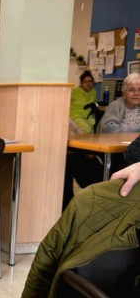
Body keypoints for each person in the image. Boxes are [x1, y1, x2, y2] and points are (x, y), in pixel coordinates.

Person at [63, 70, 102, 209]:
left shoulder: (93, 93)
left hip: (81, 134)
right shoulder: (74, 94)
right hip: (75, 123)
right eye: (86, 81)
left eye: (90, 82)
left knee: (89, 125)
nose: (88, 84)